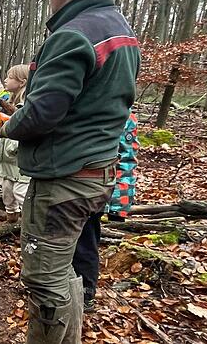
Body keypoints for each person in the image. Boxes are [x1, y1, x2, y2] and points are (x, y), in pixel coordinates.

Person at [0, 0, 140, 343]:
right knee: (69, 271)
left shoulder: (73, 34)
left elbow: (41, 114)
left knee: (44, 280)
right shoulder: (121, 30)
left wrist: (6, 126)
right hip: (98, 171)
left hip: (64, 179)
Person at [72, 111, 138, 312]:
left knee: (86, 243)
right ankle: (62, 288)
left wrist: (119, 206)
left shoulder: (123, 116)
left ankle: (86, 292)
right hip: (71, 187)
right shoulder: (85, 105)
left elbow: (126, 160)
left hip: (97, 191)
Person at [0, 64, 30, 223]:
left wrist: (14, 146)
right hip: (7, 159)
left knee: (21, 191)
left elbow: (25, 129)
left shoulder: (26, 104)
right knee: (7, 190)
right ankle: (11, 219)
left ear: (22, 82)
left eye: (10, 77)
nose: (5, 80)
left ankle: (31, 223)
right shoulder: (9, 101)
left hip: (19, 158)